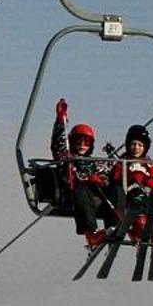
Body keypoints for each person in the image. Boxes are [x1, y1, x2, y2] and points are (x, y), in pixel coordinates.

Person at [51, 98, 123, 249]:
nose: (82, 145)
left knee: (116, 189)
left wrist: (103, 179)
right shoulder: (67, 158)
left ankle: (114, 226)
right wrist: (60, 120)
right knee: (81, 190)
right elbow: (58, 145)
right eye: (78, 141)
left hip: (97, 197)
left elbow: (108, 175)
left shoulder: (95, 162)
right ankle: (91, 233)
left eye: (87, 142)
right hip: (75, 195)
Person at [115, 123, 153, 245]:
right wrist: (132, 177)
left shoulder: (149, 165)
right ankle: (139, 228)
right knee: (137, 197)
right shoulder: (123, 163)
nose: (136, 148)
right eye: (133, 144)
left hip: (148, 193)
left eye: (140, 145)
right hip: (131, 193)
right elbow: (116, 177)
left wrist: (146, 180)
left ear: (145, 147)